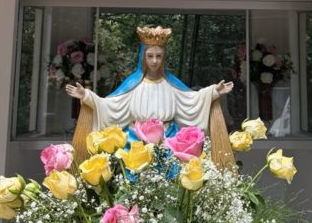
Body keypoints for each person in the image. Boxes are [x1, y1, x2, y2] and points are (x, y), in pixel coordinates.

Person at [66, 26, 235, 166]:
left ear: (164, 58)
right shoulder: (134, 84)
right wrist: (86, 95)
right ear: (143, 57)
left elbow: (193, 99)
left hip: (170, 139)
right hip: (135, 141)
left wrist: (214, 91)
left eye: (159, 56)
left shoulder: (171, 84)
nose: (154, 61)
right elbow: (109, 105)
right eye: (150, 56)